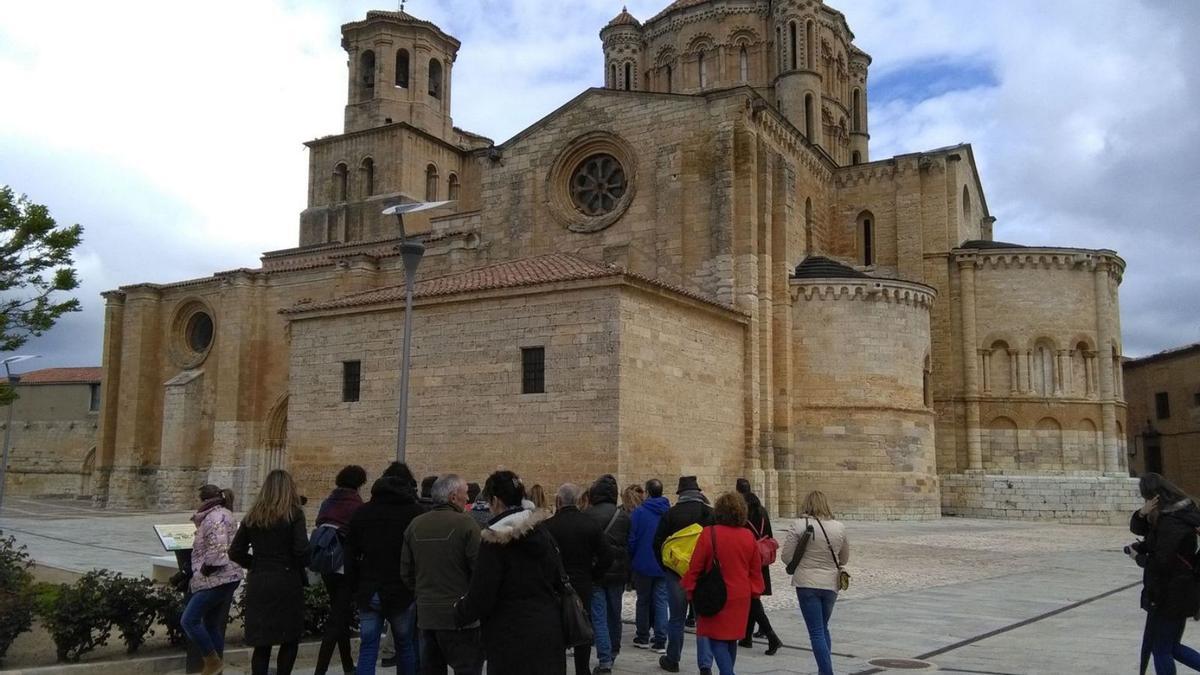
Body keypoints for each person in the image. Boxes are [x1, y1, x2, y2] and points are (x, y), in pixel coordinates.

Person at [454, 470, 566, 675]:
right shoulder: (542, 531)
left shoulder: (496, 539)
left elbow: (483, 593)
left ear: (495, 501)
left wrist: (460, 611)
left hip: (510, 633)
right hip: (548, 628)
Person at [346, 463, 426, 675]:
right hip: (402, 590)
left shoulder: (362, 512)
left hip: (370, 588)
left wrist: (356, 588)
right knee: (405, 645)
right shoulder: (415, 512)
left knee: (368, 647)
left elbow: (350, 554)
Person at [401, 473, 485, 675]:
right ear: (453, 497)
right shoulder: (467, 525)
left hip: (427, 617)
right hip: (461, 619)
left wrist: (423, 594)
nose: (468, 498)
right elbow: (480, 572)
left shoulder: (415, 525)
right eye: (465, 494)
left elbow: (406, 572)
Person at [229, 470, 308, 675]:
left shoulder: (253, 515)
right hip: (286, 579)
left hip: (259, 580)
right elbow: (301, 550)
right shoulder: (294, 514)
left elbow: (235, 551)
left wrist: (255, 563)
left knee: (262, 642)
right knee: (289, 638)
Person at [682, 492, 764, 675]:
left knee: (715, 639)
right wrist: (755, 592)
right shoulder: (748, 537)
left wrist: (689, 588)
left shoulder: (708, 534)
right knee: (730, 639)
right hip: (740, 596)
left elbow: (695, 566)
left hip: (714, 594)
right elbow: (755, 570)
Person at [1129, 472, 1200, 675]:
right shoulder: (1176, 514)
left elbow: (1162, 562)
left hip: (1171, 592)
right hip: (1178, 590)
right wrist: (1142, 513)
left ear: (1154, 496)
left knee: (1161, 649)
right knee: (1170, 646)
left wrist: (1138, 557)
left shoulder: (1173, 522)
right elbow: (1139, 530)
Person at [545, 483, 613, 675]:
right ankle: (582, 670)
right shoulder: (589, 524)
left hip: (556, 586)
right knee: (583, 628)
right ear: (578, 500)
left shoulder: (549, 526)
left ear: (559, 501)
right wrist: (594, 574)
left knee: (557, 630)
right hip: (583, 583)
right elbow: (607, 555)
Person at [781, 490, 849, 675]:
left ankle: (826, 672)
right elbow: (844, 558)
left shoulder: (799, 525)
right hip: (830, 585)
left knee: (816, 632)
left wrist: (803, 563)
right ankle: (823, 670)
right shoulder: (839, 527)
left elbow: (786, 557)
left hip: (807, 583)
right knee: (822, 628)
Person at [652, 476, 714, 674]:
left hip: (676, 573)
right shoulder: (709, 514)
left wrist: (667, 567)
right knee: (703, 619)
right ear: (698, 492)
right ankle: (705, 665)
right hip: (703, 574)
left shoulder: (671, 514)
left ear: (680, 494)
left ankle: (672, 659)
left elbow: (657, 544)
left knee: (677, 618)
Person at [181, 484, 242, 675]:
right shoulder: (219, 514)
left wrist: (205, 570)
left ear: (204, 500)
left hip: (219, 577)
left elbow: (218, 548)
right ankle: (217, 668)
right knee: (211, 624)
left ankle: (212, 661)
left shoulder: (216, 516)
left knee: (189, 620)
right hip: (224, 576)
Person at [313, 465, 368, 675]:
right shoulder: (356, 505)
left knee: (340, 612)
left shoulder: (328, 502)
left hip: (327, 563)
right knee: (337, 618)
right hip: (345, 565)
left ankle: (347, 665)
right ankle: (320, 670)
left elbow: (320, 523)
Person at [585, 474, 631, 673]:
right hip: (618, 573)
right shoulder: (623, 516)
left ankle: (604, 660)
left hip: (596, 572)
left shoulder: (587, 514)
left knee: (599, 617)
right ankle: (613, 651)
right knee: (615, 614)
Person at [735, 478, 781, 655]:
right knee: (752, 597)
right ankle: (746, 638)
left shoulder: (741, 511)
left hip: (747, 559)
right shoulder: (761, 510)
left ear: (738, 490)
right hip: (761, 558)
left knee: (752, 600)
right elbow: (769, 533)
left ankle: (772, 637)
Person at [628, 478, 669, 654]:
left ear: (648, 492)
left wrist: (632, 557)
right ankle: (660, 640)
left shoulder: (639, 512)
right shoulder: (668, 512)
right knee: (661, 601)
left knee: (643, 601)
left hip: (643, 562)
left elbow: (632, 539)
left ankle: (643, 636)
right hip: (663, 563)